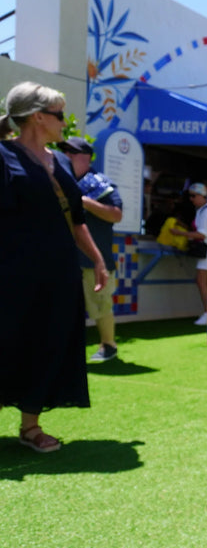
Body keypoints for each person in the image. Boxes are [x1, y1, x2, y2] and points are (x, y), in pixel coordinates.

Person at [0, 81, 109, 453]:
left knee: (49, 339)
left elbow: (76, 220)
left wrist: (97, 259)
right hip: (11, 270)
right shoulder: (3, 156)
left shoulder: (61, 161)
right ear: (37, 117)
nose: (65, 122)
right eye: (59, 115)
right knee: (6, 338)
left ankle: (30, 426)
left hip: (58, 270)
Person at [58, 136, 123, 362]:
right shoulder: (60, 181)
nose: (65, 156)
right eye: (64, 151)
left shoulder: (101, 184)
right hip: (64, 258)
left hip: (94, 259)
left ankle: (108, 345)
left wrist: (85, 201)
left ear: (86, 158)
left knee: (100, 305)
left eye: (71, 152)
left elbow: (116, 214)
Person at [171, 182, 207, 325]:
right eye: (190, 196)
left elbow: (202, 234)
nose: (191, 199)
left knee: (202, 281)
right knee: (205, 282)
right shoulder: (203, 211)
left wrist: (180, 233)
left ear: (202, 196)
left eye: (193, 196)